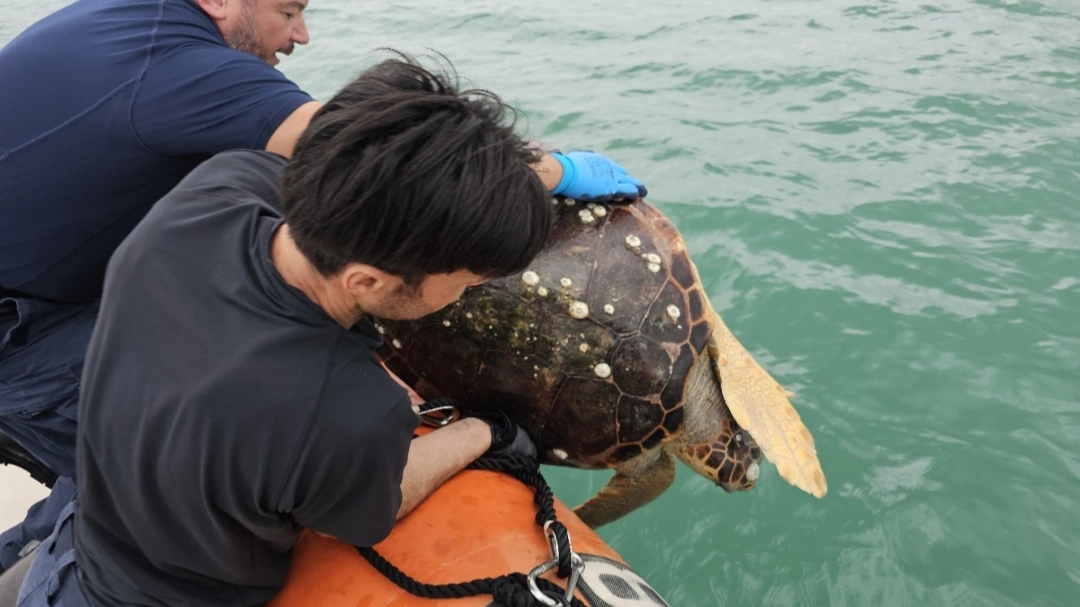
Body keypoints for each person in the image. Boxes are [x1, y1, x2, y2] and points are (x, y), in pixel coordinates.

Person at [0, 0, 647, 570]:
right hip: (153, 582)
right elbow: (381, 501)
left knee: (107, 482)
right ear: (367, 278)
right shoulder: (348, 412)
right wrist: (489, 431)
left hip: (91, 517)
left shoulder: (213, 192)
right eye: (467, 281)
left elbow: (351, 145)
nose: (302, 33)